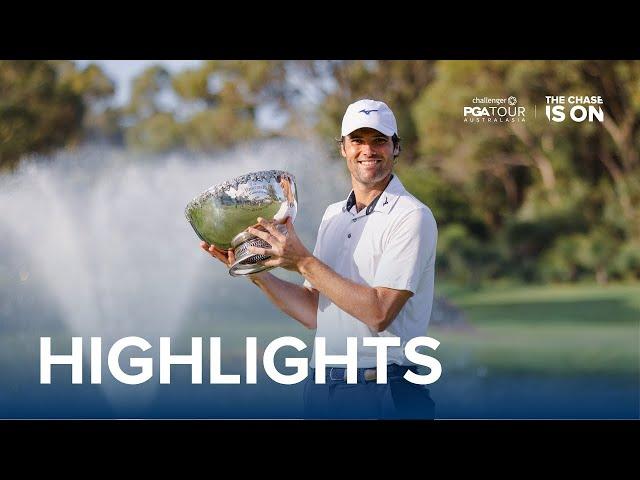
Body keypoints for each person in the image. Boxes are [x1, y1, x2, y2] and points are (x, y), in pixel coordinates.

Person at [201, 99, 438, 419]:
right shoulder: (333, 216)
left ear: (396, 147)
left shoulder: (412, 216)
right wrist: (255, 272)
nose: (368, 150)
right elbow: (315, 311)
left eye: (379, 140)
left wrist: (302, 261)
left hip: (384, 387)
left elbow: (380, 312)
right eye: (357, 140)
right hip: (324, 387)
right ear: (343, 148)